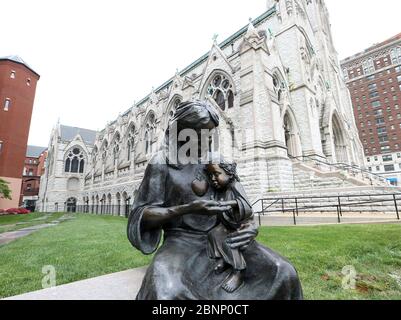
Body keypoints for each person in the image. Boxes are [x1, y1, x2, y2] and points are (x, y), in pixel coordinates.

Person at [127, 100, 303, 300]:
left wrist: (250, 226)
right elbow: (143, 214)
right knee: (166, 293)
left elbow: (240, 201)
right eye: (200, 135)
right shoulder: (161, 163)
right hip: (181, 243)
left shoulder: (216, 160)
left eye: (209, 134)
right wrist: (186, 209)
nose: (206, 140)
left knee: (283, 271)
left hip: (225, 237)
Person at [205, 160, 253, 293]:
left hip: (241, 225)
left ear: (229, 173)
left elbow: (246, 206)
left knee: (230, 242)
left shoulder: (236, 186)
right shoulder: (221, 189)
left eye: (216, 174)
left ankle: (238, 272)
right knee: (213, 234)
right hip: (228, 224)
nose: (213, 179)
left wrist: (229, 204)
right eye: (210, 176)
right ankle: (223, 259)